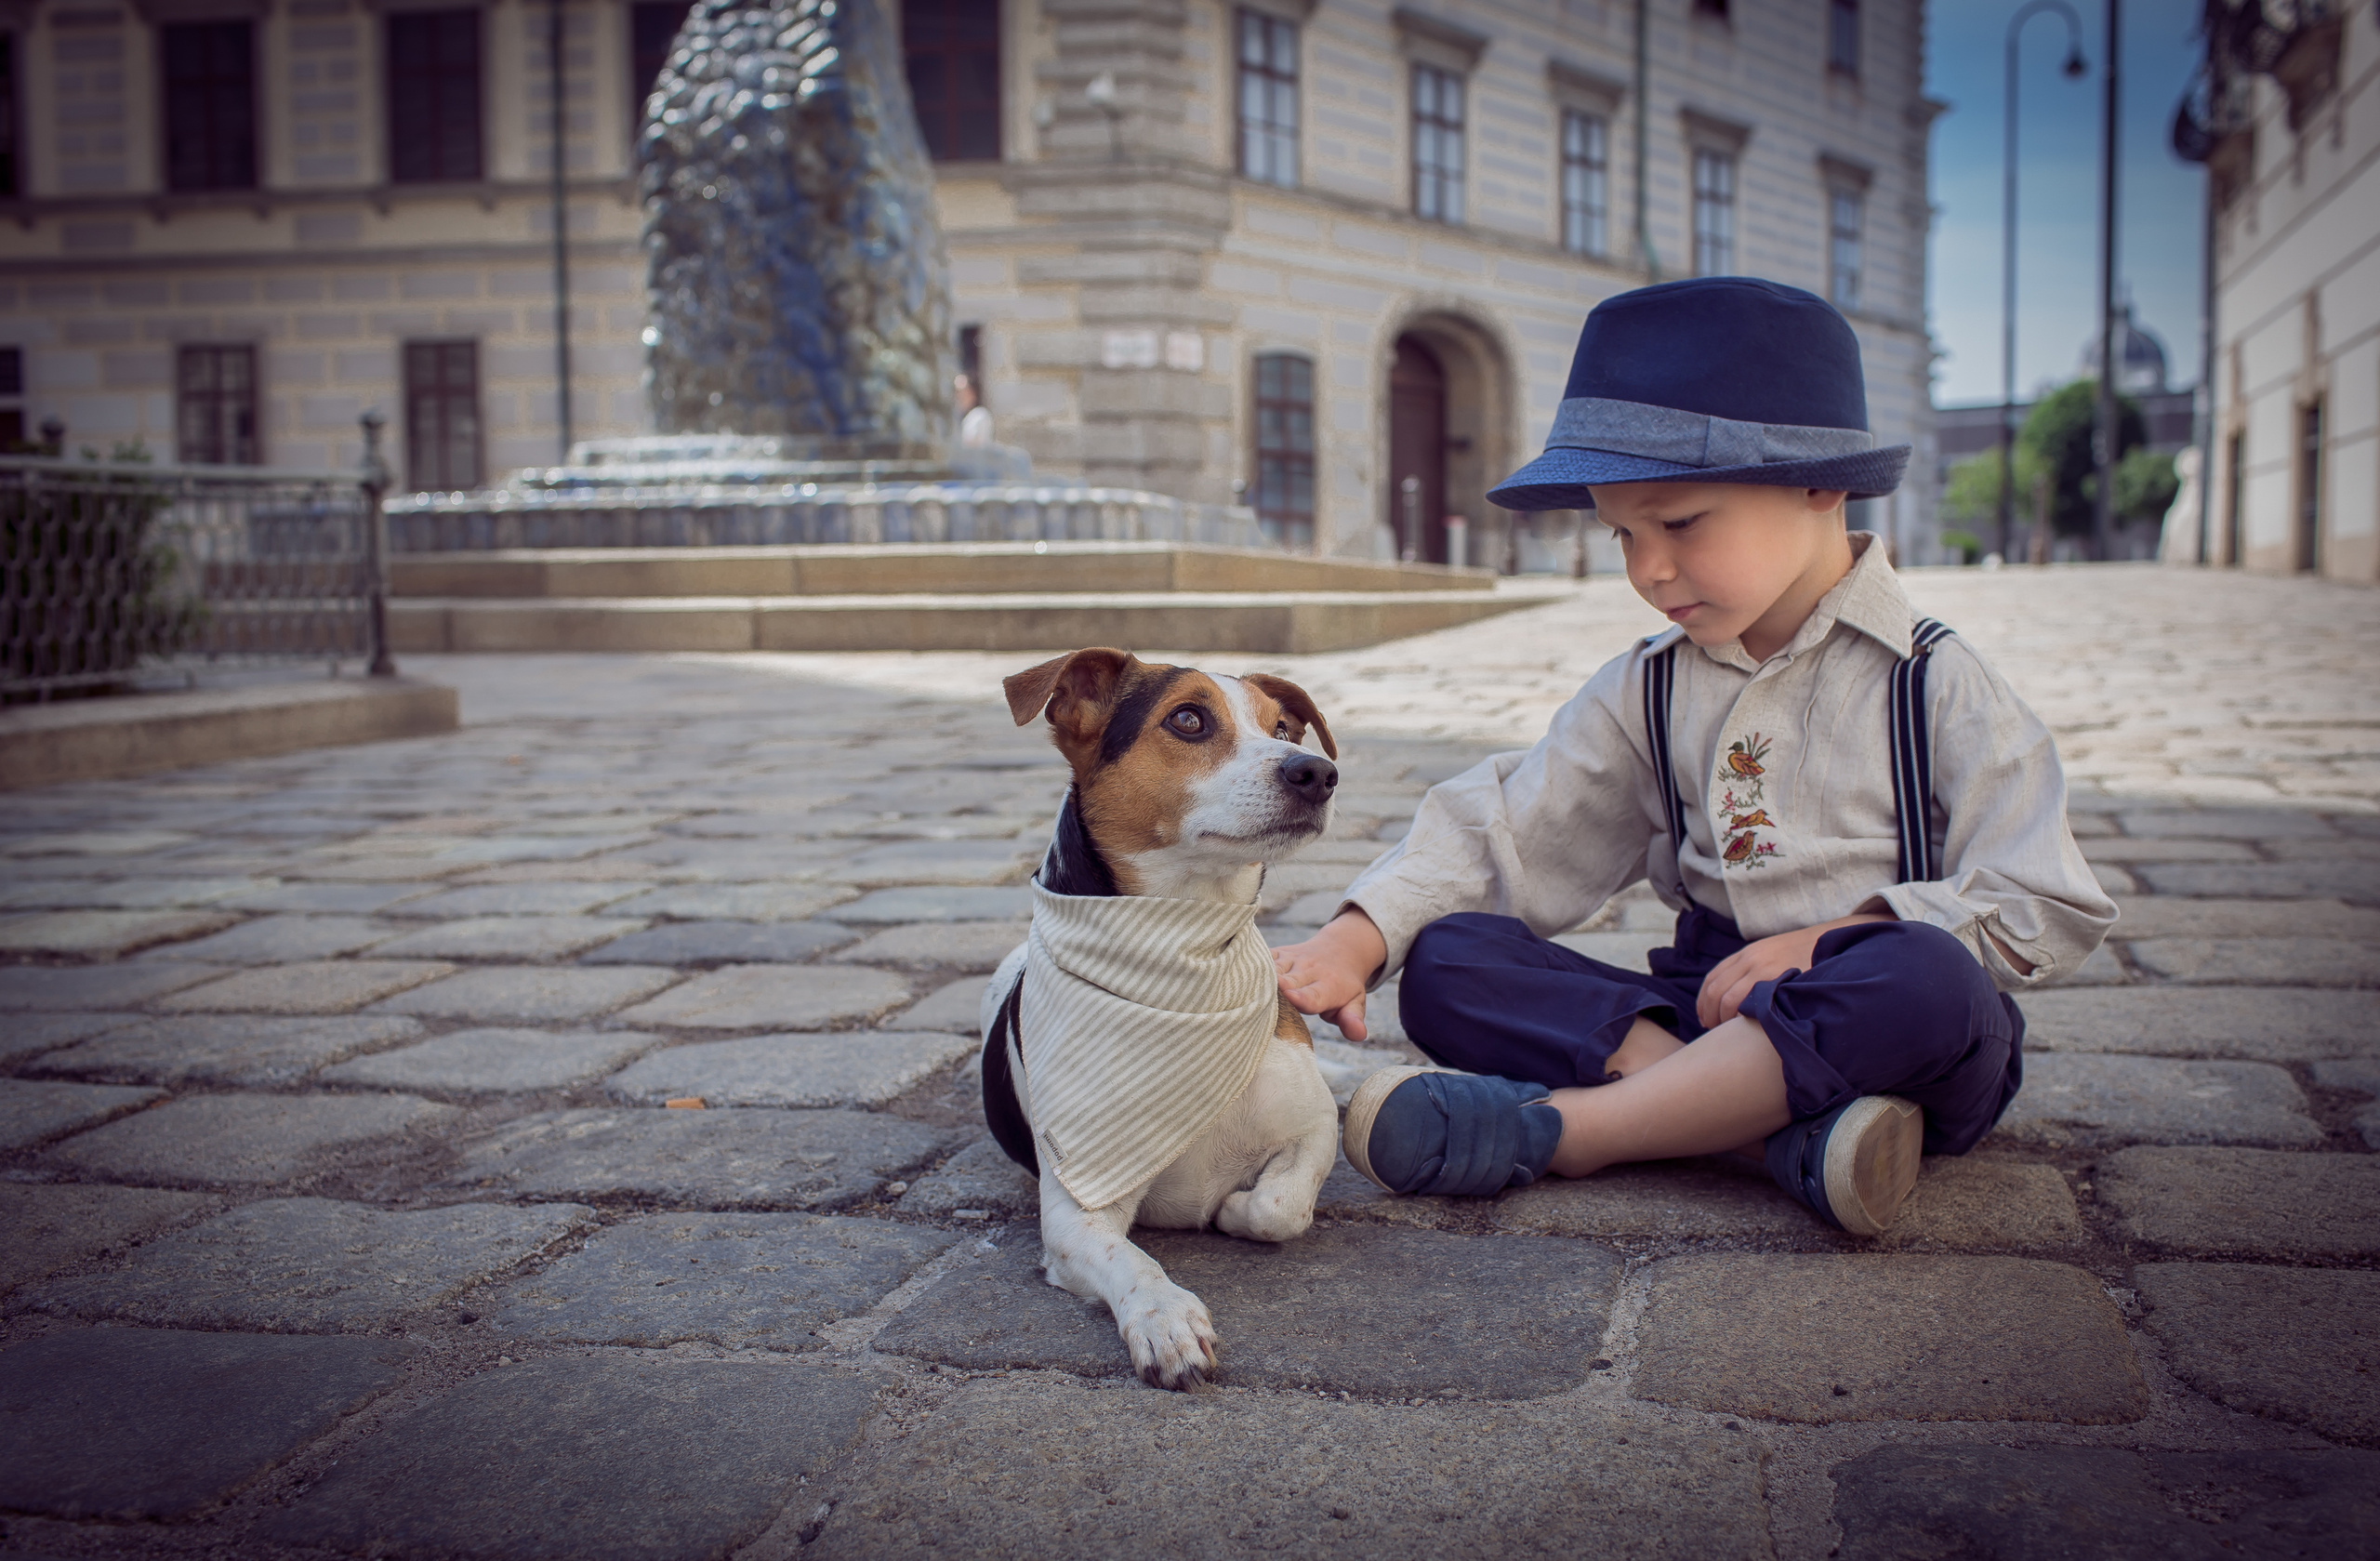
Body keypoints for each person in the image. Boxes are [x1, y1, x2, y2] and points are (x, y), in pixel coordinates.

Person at [1272, 277, 2115, 1236]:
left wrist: (1838, 938)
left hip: (1884, 1021)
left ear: (1817, 481)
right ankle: (1781, 1141)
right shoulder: (1649, 684)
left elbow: (2044, 896)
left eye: (1678, 523)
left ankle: (1575, 1128)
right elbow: (1512, 829)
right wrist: (1356, 939)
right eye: (1622, 533)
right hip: (1704, 1001)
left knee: (1931, 983)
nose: (1648, 568)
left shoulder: (1932, 678)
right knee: (1450, 961)